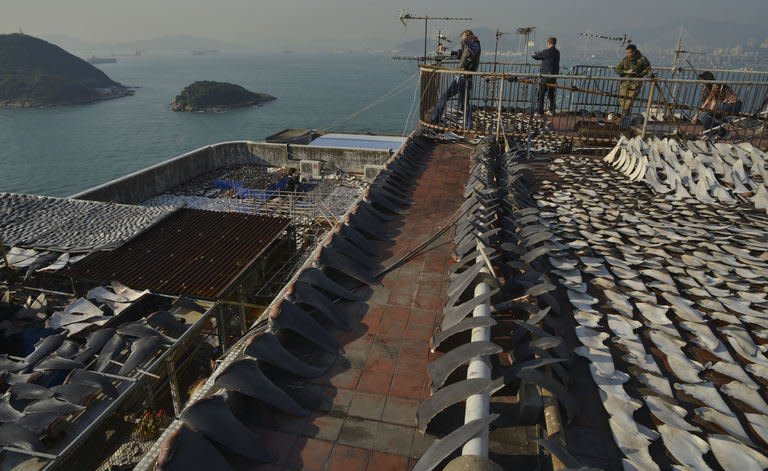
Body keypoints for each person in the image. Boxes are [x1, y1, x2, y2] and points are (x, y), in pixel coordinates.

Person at [430, 30, 481, 129]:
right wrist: (446, 51)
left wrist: (467, 39)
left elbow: (471, 51)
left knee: (444, 97)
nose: (462, 40)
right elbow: (461, 54)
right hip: (465, 77)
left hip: (463, 77)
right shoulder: (470, 45)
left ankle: (434, 120)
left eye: (463, 37)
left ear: (468, 36)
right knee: (465, 103)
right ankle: (468, 126)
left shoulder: (474, 43)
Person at [615, 44, 651, 122]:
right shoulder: (625, 59)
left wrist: (639, 74)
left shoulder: (642, 59)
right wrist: (625, 72)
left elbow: (648, 69)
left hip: (635, 83)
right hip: (625, 83)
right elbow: (617, 69)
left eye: (629, 53)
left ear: (634, 52)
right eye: (627, 53)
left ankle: (625, 117)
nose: (628, 54)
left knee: (629, 100)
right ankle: (625, 115)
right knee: (622, 99)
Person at [532, 37, 560, 116]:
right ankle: (552, 110)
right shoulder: (557, 52)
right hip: (554, 75)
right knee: (551, 94)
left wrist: (533, 53)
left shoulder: (546, 51)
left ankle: (540, 112)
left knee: (541, 94)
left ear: (548, 43)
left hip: (545, 76)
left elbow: (536, 56)